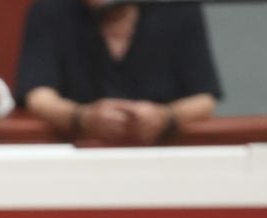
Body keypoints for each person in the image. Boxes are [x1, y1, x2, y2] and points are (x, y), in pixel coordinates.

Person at [15, 0, 219, 145]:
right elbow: (38, 96)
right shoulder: (49, 11)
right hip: (77, 155)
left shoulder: (178, 9)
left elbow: (204, 98)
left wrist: (165, 117)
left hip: (164, 156)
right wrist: (82, 117)